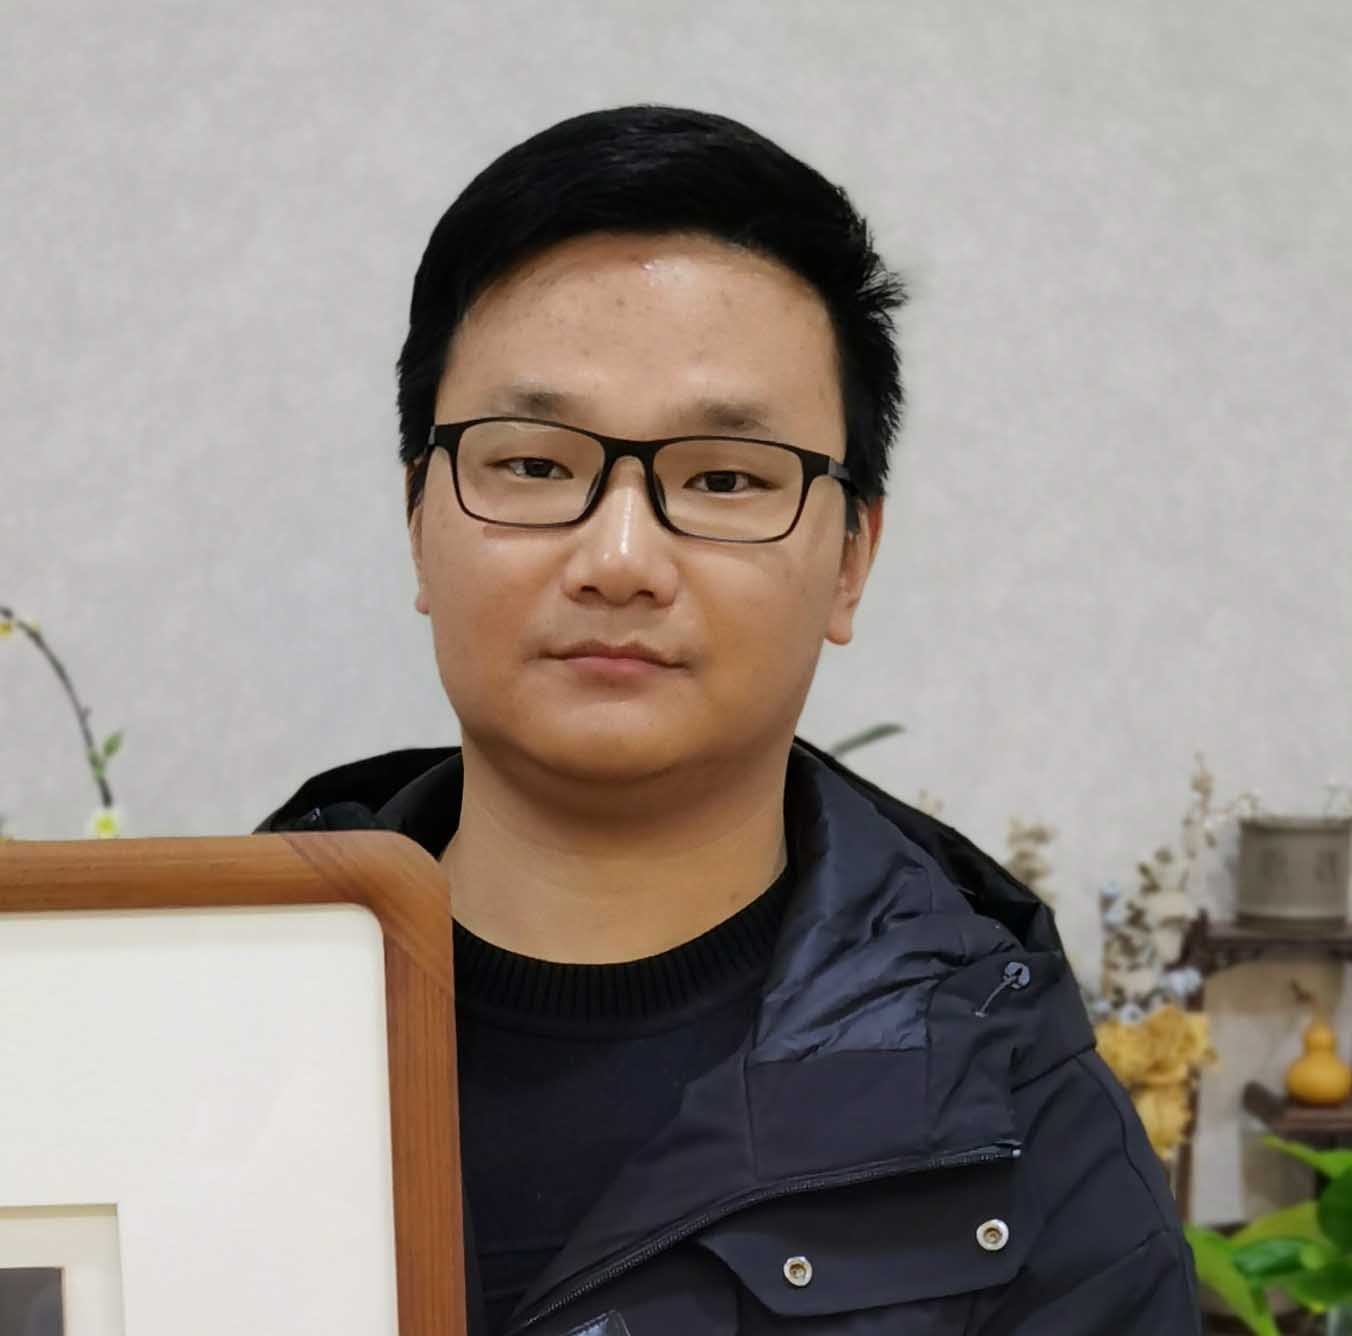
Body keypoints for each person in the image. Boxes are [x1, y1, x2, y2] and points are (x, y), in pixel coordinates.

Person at [256, 105, 1201, 1335]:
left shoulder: (1018, 1128)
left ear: (850, 558)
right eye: (533, 465)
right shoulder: (199, 1013)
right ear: (417, 518)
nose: (618, 558)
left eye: (722, 478)